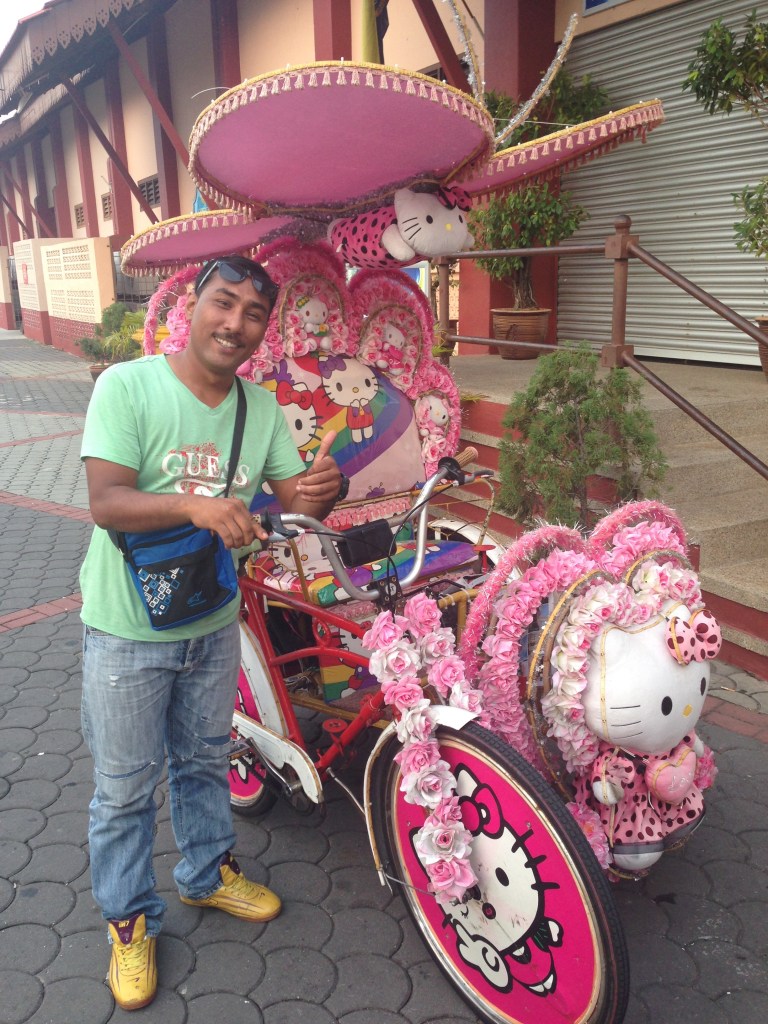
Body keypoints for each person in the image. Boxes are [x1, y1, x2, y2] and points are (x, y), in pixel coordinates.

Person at [79, 255, 343, 1011]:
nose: (234, 324)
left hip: (212, 621)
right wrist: (196, 505)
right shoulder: (126, 387)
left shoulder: (259, 409)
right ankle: (129, 922)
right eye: (222, 304)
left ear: (264, 328)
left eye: (253, 314)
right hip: (126, 629)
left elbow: (299, 505)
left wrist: (327, 489)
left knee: (202, 760)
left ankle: (205, 876)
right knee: (125, 789)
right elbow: (106, 501)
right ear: (191, 306)